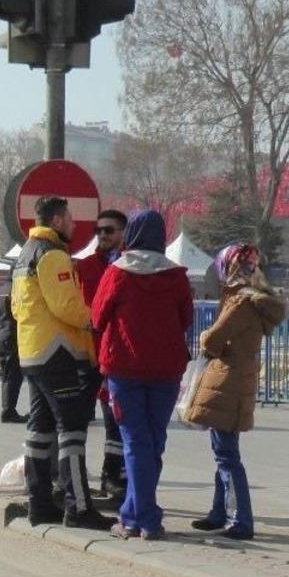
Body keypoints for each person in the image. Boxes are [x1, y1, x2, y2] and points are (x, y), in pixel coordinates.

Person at [12, 196, 115, 530]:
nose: (74, 224)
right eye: (69, 219)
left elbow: (17, 308)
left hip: (32, 350)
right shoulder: (52, 254)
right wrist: (95, 320)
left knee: (39, 430)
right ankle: (78, 507)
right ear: (56, 221)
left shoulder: (25, 253)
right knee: (71, 429)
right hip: (57, 352)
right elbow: (67, 306)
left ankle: (39, 503)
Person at [91, 210, 193, 540]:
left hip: (124, 367)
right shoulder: (176, 275)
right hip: (166, 370)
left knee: (135, 442)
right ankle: (135, 514)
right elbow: (186, 318)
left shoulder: (117, 272)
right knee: (154, 441)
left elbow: (97, 316)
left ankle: (144, 518)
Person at [186, 244, 287, 541]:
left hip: (227, 381)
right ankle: (220, 511)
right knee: (225, 450)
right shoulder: (253, 300)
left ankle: (240, 518)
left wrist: (204, 336)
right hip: (239, 380)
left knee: (226, 455)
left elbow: (213, 339)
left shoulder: (240, 302)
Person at [76, 209, 129, 498]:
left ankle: (113, 476)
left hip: (117, 356)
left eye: (109, 230)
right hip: (88, 353)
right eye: (99, 231)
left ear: (123, 232)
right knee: (77, 419)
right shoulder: (86, 267)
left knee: (114, 421)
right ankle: (74, 476)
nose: (103, 236)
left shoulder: (130, 266)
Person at [0, 287, 26, 424]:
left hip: (1, 337)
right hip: (14, 336)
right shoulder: (16, 290)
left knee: (7, 374)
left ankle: (8, 409)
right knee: (14, 374)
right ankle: (8, 411)